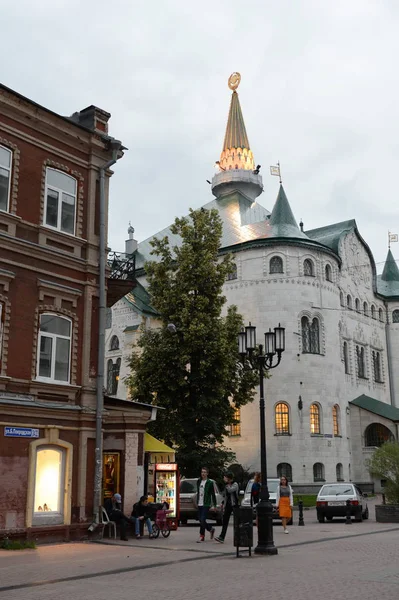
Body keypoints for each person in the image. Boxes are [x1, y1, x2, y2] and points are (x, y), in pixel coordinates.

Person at [214, 471, 239, 543]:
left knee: (236, 522)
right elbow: (225, 495)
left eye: (225, 477)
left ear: (228, 478)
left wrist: (227, 484)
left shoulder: (235, 484)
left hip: (234, 505)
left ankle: (238, 537)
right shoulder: (227, 485)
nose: (223, 478)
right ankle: (222, 537)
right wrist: (223, 503)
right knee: (225, 521)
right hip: (228, 505)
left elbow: (230, 490)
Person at [196, 467, 217, 543]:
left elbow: (213, 494)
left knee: (202, 519)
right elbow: (198, 492)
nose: (203, 474)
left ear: (207, 473)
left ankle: (201, 536)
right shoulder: (199, 481)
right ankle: (211, 529)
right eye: (202, 472)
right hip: (199, 503)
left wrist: (214, 505)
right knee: (200, 519)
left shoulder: (210, 483)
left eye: (205, 472)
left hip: (206, 503)